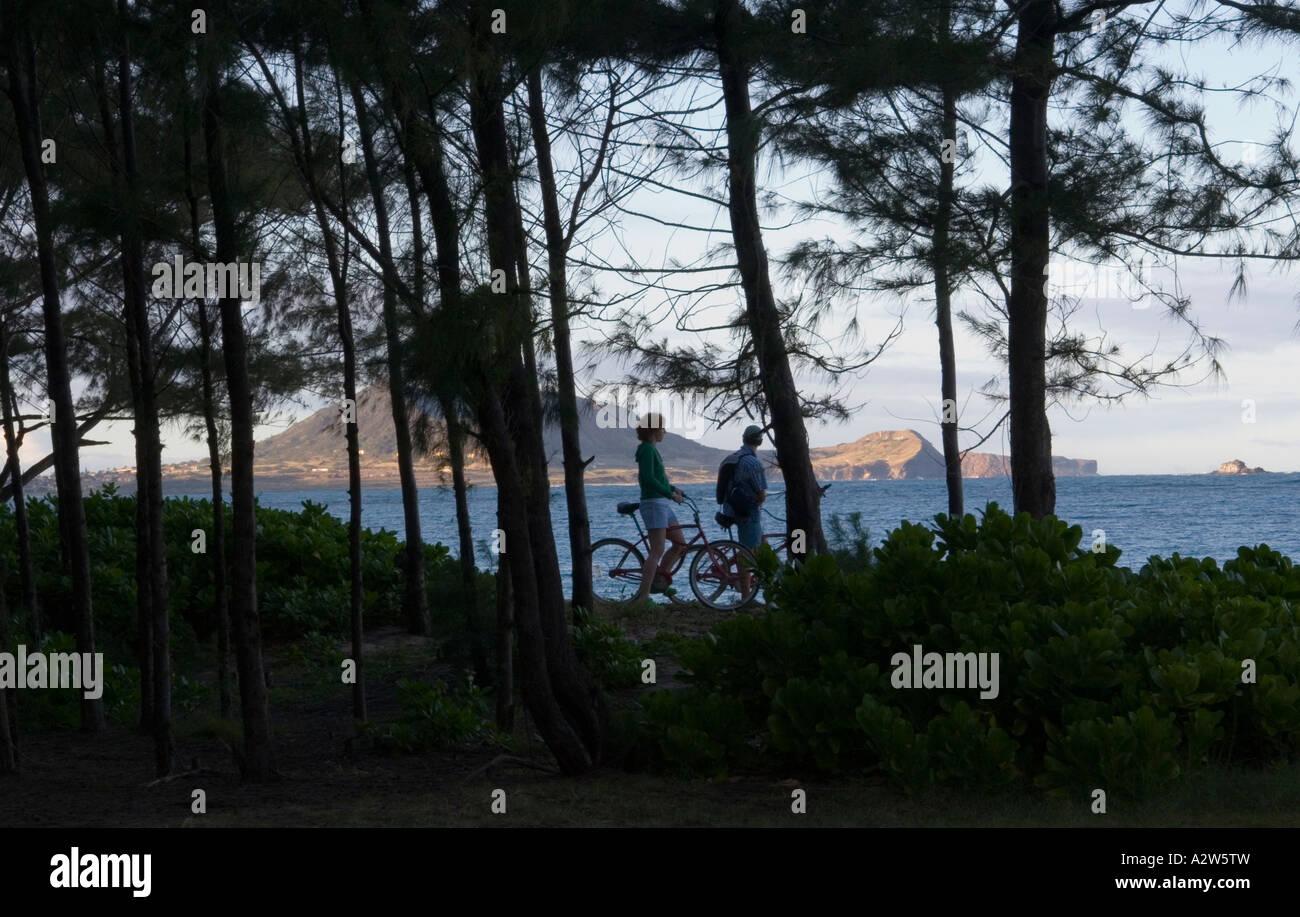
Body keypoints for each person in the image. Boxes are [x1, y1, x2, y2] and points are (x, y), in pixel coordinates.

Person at [632, 412, 686, 602]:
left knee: (680, 543)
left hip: (661, 502)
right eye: (662, 428)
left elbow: (658, 478)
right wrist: (670, 494)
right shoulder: (647, 449)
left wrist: (673, 488)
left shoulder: (652, 449)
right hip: (654, 503)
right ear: (654, 430)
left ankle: (660, 581)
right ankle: (643, 597)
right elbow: (648, 479)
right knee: (657, 550)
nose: (664, 432)